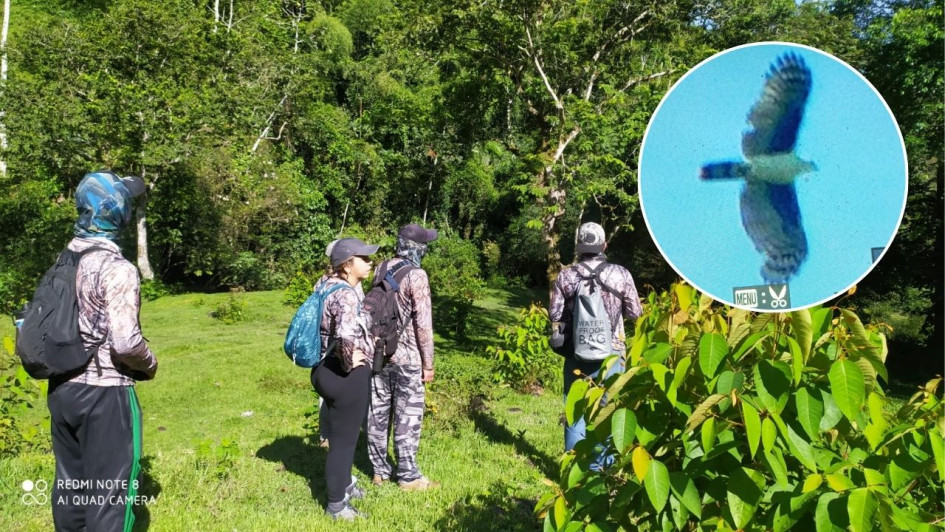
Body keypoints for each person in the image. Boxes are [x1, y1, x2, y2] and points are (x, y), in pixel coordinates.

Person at [48, 170, 158, 531]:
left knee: (72, 487)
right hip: (106, 395)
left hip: (62, 390)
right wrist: (150, 363)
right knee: (110, 497)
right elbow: (126, 343)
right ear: (120, 214)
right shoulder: (117, 269)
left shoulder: (62, 262)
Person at [549, 222, 642, 469]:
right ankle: (604, 472)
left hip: (577, 353)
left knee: (575, 412)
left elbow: (555, 314)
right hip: (612, 353)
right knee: (607, 411)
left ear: (579, 246)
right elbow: (635, 312)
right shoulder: (620, 274)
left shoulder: (566, 275)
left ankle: (573, 470)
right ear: (604, 245)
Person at [366, 223, 439, 491]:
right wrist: (428, 364)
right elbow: (423, 324)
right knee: (407, 416)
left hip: (380, 354)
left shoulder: (381, 267)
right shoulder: (417, 275)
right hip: (408, 358)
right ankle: (408, 476)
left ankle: (379, 471)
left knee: (377, 412)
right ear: (418, 248)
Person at [311, 237, 379, 520]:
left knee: (340, 436)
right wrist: (353, 360)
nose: (370, 262)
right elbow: (345, 335)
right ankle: (337, 505)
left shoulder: (324, 284)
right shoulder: (347, 295)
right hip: (344, 375)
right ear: (347, 264)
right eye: (364, 258)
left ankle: (346, 483)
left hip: (322, 369)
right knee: (344, 443)